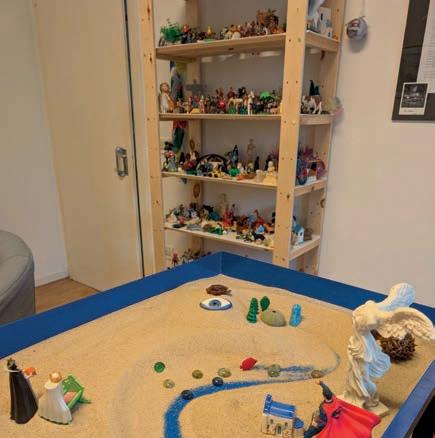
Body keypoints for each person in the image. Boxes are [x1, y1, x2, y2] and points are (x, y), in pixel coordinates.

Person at [304, 380, 381, 438]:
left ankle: (306, 436)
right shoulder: (335, 399)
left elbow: (323, 420)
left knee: (313, 428)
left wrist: (316, 423)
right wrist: (321, 383)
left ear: (324, 397)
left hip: (329, 424)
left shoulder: (324, 407)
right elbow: (328, 390)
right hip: (338, 419)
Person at [7, 358, 38, 424]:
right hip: (23, 391)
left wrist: (24, 372)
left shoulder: (13, 374)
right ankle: (28, 412)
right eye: (15, 363)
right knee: (25, 400)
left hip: (21, 389)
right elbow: (23, 380)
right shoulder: (16, 374)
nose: (16, 364)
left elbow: (21, 374)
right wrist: (30, 375)